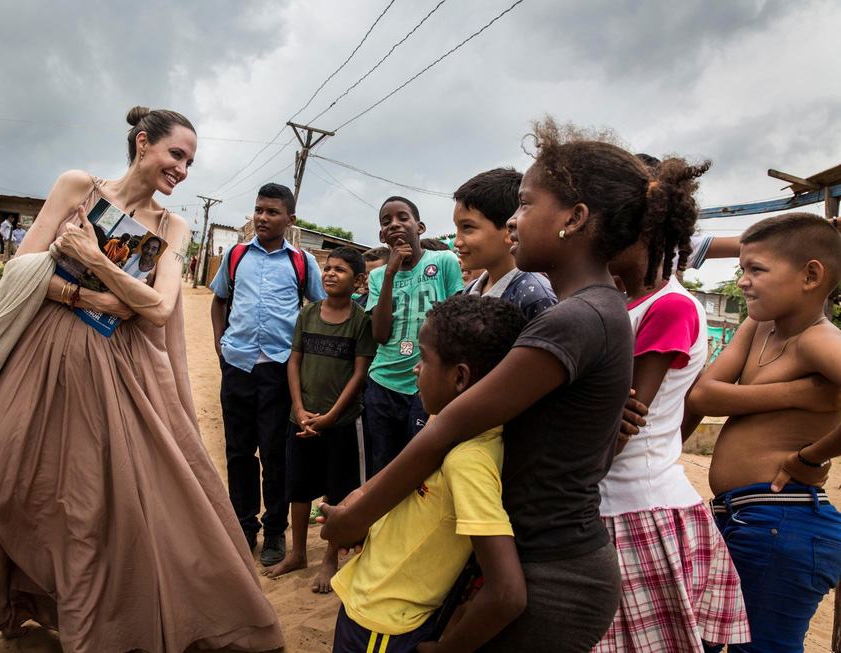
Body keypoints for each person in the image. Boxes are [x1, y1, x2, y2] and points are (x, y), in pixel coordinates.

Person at [322, 118, 704, 651]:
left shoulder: (574, 320)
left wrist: (355, 515)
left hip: (555, 575)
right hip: (553, 558)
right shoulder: (600, 310)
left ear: (574, 218)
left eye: (525, 204)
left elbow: (451, 422)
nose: (514, 220)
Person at [0, 106, 284, 653]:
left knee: (84, 507)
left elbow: (157, 306)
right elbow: (22, 264)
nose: (183, 169)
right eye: (176, 154)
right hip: (37, 357)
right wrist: (90, 296)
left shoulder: (172, 226)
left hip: (111, 371)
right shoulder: (78, 186)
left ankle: (72, 617)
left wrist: (93, 262)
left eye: (191, 162)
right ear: (143, 143)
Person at [595, 157, 750, 652]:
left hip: (634, 510)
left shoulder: (670, 306)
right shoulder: (620, 301)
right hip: (613, 504)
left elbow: (622, 421)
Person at [331, 295, 527, 653]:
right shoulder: (448, 425)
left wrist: (448, 649)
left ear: (460, 377)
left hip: (386, 627)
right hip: (375, 607)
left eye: (423, 357)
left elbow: (508, 594)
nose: (415, 369)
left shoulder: (468, 461)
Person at [687, 212, 841, 653]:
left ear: (811, 275)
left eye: (756, 269)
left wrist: (809, 458)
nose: (744, 281)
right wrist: (798, 394)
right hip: (747, 517)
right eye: (741, 269)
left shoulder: (819, 341)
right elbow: (703, 396)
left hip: (784, 521)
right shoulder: (760, 328)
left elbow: (716, 395)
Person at [210, 182, 326, 567]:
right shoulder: (236, 255)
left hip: (279, 371)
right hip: (238, 366)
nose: (262, 217)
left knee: (276, 454)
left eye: (272, 212)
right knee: (239, 451)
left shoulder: (302, 262)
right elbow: (219, 301)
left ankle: (275, 529)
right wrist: (220, 346)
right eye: (259, 210)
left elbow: (318, 309)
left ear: (289, 220)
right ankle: (245, 525)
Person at [263, 247, 375, 593]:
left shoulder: (361, 321)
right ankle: (298, 553)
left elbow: (359, 374)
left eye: (340, 270)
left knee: (337, 492)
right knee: (298, 488)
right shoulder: (308, 314)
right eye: (327, 268)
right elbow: (293, 362)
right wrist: (299, 410)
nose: (329, 274)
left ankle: (330, 558)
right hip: (303, 420)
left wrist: (331, 416)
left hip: (340, 424)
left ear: (358, 280)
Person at [365, 196, 464, 474]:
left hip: (429, 385)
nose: (395, 225)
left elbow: (458, 321)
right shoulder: (378, 276)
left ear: (419, 227)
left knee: (423, 470)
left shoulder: (443, 261)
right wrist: (390, 274)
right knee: (383, 467)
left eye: (402, 218)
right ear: (381, 235)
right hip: (384, 384)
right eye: (387, 222)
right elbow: (380, 334)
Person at [453, 167, 556, 319]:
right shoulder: (469, 293)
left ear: (509, 231)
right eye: (457, 228)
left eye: (467, 227)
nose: (457, 242)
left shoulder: (535, 296)